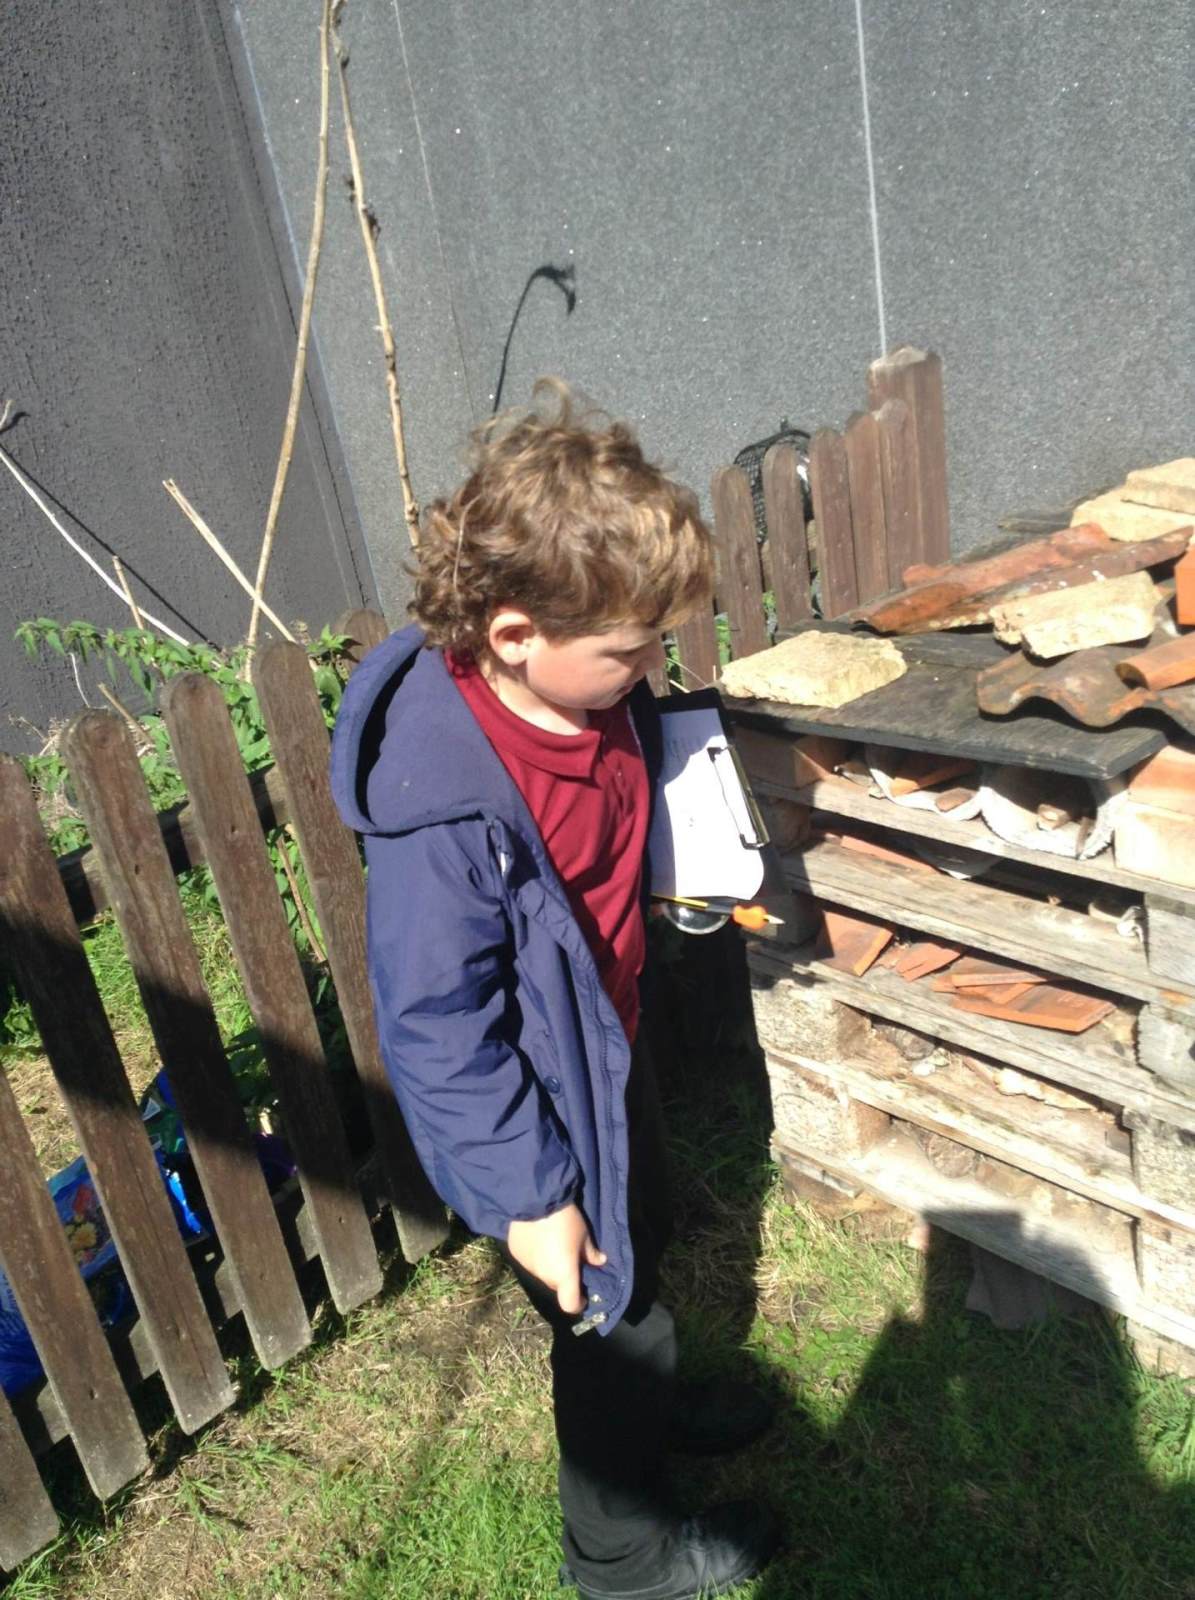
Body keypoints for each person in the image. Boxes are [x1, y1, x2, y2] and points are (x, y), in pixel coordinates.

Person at [330, 382, 778, 1599]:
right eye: (629, 651)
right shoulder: (443, 808)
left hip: (605, 1048)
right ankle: (621, 1560)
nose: (648, 668)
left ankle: (656, 1408)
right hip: (542, 1107)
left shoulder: (585, 694)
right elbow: (439, 1029)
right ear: (517, 631)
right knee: (607, 1323)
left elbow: (608, 824)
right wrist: (528, 1197)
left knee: (644, 1248)